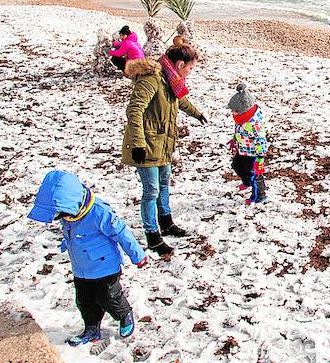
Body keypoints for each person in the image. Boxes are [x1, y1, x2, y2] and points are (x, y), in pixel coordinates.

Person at [27, 170, 146, 346]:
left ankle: (124, 314)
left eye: (57, 212)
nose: (56, 217)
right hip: (81, 268)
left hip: (105, 267)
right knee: (84, 301)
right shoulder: (69, 213)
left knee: (108, 297)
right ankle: (92, 328)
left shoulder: (99, 213)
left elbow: (122, 233)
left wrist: (137, 256)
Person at [121, 38, 206, 256]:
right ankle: (152, 235)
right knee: (151, 191)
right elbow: (134, 110)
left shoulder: (171, 79)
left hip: (163, 144)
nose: (191, 72)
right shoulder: (152, 79)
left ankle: (166, 223)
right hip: (147, 145)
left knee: (164, 184)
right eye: (191, 68)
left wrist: (197, 113)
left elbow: (180, 101)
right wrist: (138, 144)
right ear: (180, 65)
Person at [226, 83, 269, 205]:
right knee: (236, 165)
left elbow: (261, 142)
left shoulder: (254, 125)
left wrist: (260, 159)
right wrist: (235, 139)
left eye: (234, 111)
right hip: (243, 150)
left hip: (254, 154)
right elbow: (238, 130)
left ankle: (259, 196)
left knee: (256, 176)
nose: (232, 113)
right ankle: (247, 182)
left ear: (243, 111)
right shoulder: (241, 119)